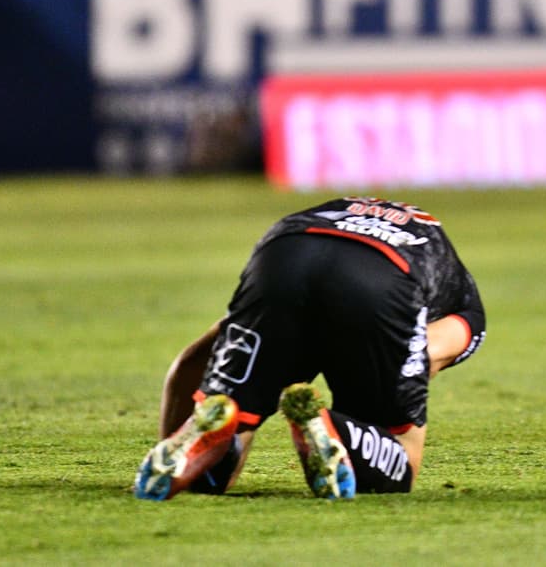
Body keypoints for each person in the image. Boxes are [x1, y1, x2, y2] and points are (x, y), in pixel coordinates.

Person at [133, 196, 486, 499]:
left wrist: (182, 424)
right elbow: (419, 357)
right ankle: (324, 423)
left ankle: (198, 443)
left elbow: (196, 360)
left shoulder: (347, 217)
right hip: (381, 278)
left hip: (284, 255)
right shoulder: (466, 307)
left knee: (231, 425)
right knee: (402, 460)